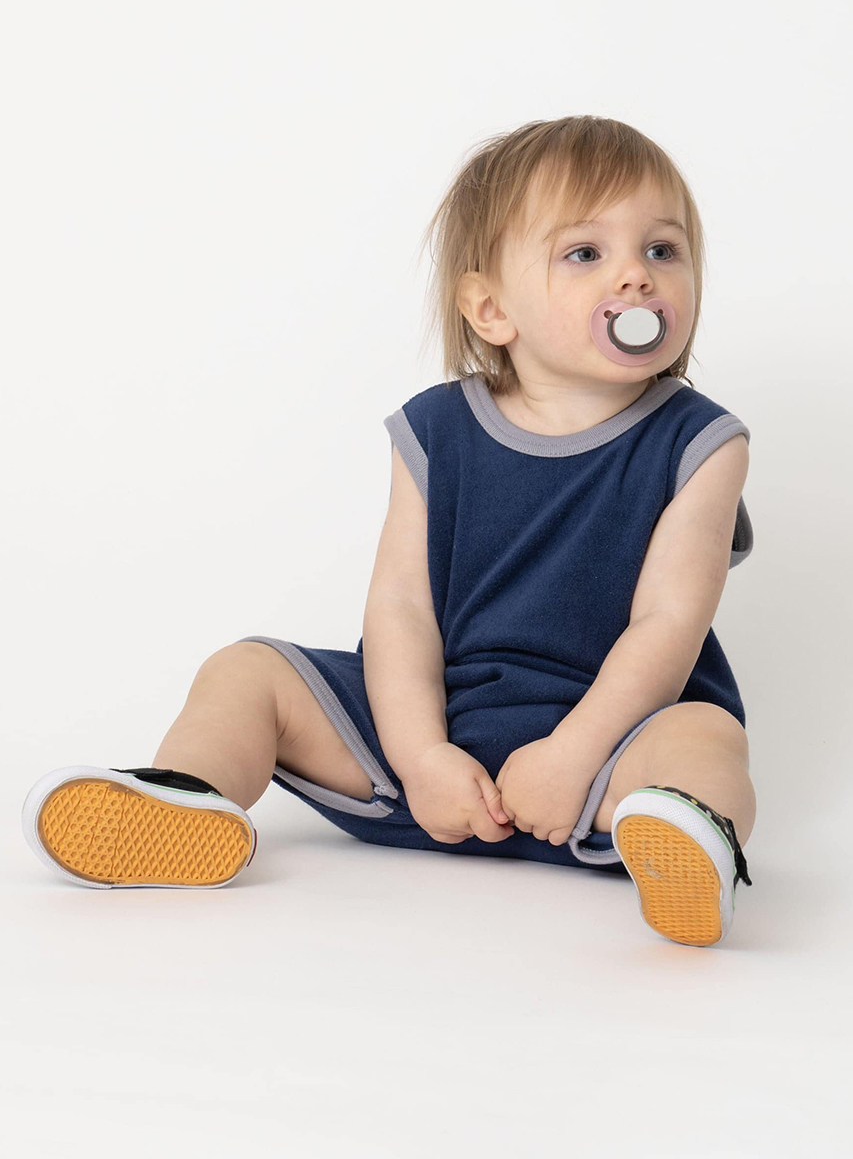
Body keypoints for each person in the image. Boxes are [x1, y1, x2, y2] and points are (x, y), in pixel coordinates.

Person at [21, 115, 757, 948]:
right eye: (585, 253)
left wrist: (572, 755)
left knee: (705, 737)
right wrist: (420, 757)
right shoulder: (436, 430)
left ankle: (684, 842)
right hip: (432, 731)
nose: (636, 275)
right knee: (246, 670)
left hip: (607, 750)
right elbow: (402, 607)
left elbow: (668, 624)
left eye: (662, 250)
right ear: (490, 308)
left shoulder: (701, 443)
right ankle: (187, 794)